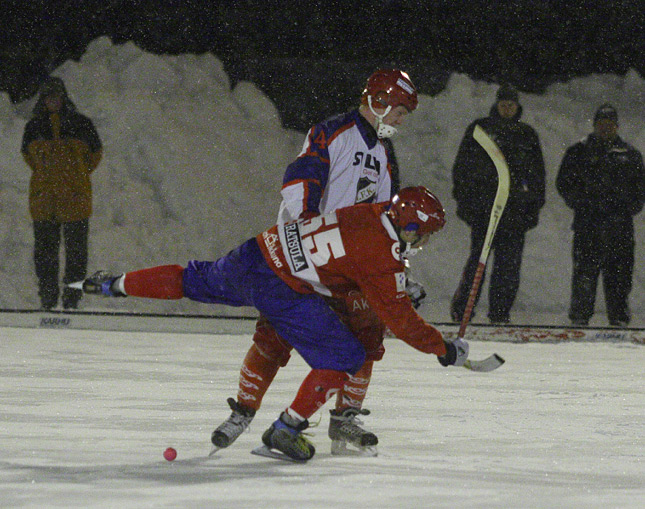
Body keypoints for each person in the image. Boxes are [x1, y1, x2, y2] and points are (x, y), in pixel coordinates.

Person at [73, 186, 467, 462]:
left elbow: (350, 258)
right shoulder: (383, 255)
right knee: (346, 354)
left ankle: (115, 283)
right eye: (423, 235)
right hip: (283, 288)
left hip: (258, 252)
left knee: (192, 279)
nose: (421, 242)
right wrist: (443, 348)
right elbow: (400, 320)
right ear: (411, 226)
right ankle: (287, 429)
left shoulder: (375, 209)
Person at [210, 69, 421, 457]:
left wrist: (397, 267)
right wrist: (308, 227)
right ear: (379, 100)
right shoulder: (333, 131)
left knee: (366, 340)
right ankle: (243, 410)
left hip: (348, 267)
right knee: (275, 338)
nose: (401, 120)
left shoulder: (386, 152)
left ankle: (345, 419)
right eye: (400, 111)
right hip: (303, 257)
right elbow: (300, 178)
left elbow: (386, 220)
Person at [450, 84, 545, 324]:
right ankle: (463, 311)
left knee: (508, 268)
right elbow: (462, 168)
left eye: (510, 105)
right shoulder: (481, 129)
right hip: (484, 211)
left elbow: (537, 177)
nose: (506, 109)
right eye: (503, 104)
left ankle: (500, 314)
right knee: (476, 264)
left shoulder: (527, 135)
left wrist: (531, 210)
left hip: (514, 215)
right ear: (496, 104)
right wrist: (466, 204)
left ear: (517, 107)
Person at [556, 103, 645, 327]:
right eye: (601, 124)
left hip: (620, 229)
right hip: (588, 225)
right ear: (595, 125)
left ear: (617, 126)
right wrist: (582, 203)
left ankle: (619, 320)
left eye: (610, 124)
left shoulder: (631, 155)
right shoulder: (578, 152)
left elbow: (640, 190)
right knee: (584, 275)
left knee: (619, 277)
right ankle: (579, 319)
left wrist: (626, 208)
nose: (606, 128)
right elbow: (564, 183)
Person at [21, 77, 103, 310]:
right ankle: (47, 299)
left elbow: (95, 155)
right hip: (44, 202)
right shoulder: (34, 127)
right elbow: (28, 157)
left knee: (76, 256)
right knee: (45, 255)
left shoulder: (82, 124)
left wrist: (74, 178)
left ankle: (71, 300)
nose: (53, 101)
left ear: (63, 98)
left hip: (75, 200)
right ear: (43, 99)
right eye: (48, 97)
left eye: (56, 96)